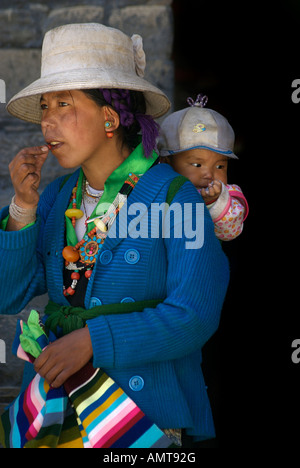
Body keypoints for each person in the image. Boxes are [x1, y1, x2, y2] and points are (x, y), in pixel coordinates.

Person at [0, 23, 229, 448]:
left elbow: (195, 315)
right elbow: (5, 294)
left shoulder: (175, 199)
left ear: (110, 117)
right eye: (45, 107)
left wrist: (93, 340)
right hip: (57, 411)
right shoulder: (54, 198)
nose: (47, 121)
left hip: (140, 420)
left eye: (63, 104)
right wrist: (21, 209)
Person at [158, 94, 249, 241]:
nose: (209, 174)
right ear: (166, 162)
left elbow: (231, 231)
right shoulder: (155, 186)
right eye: (197, 165)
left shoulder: (227, 195)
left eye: (220, 166)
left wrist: (213, 203)